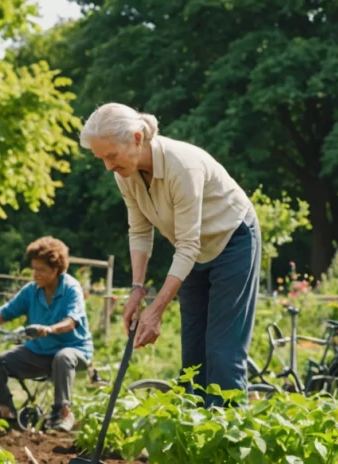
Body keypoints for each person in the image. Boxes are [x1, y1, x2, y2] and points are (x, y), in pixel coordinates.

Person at [80, 102, 261, 407]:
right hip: (191, 252)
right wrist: (137, 290)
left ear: (137, 138)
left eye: (111, 156)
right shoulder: (125, 173)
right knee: (192, 354)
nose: (107, 166)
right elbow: (139, 231)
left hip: (233, 242)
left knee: (221, 352)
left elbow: (188, 245)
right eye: (101, 158)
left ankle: (230, 441)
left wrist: (156, 309)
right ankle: (194, 439)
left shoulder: (182, 165)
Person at [0, 237, 93, 432]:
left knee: (63, 357)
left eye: (42, 270)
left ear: (56, 270)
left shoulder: (71, 288)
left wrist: (50, 329)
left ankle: (63, 414)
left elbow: (72, 321)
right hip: (40, 351)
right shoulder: (31, 291)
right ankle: (9, 419)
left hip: (74, 350)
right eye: (34, 268)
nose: (36, 274)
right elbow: (5, 312)